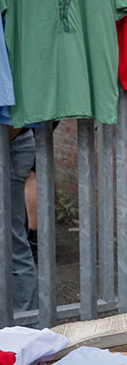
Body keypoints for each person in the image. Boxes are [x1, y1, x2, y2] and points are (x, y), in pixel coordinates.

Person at [7, 127, 38, 313]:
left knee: (13, 244)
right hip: (13, 144)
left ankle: (26, 326)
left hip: (11, 146)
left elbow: (14, 122)